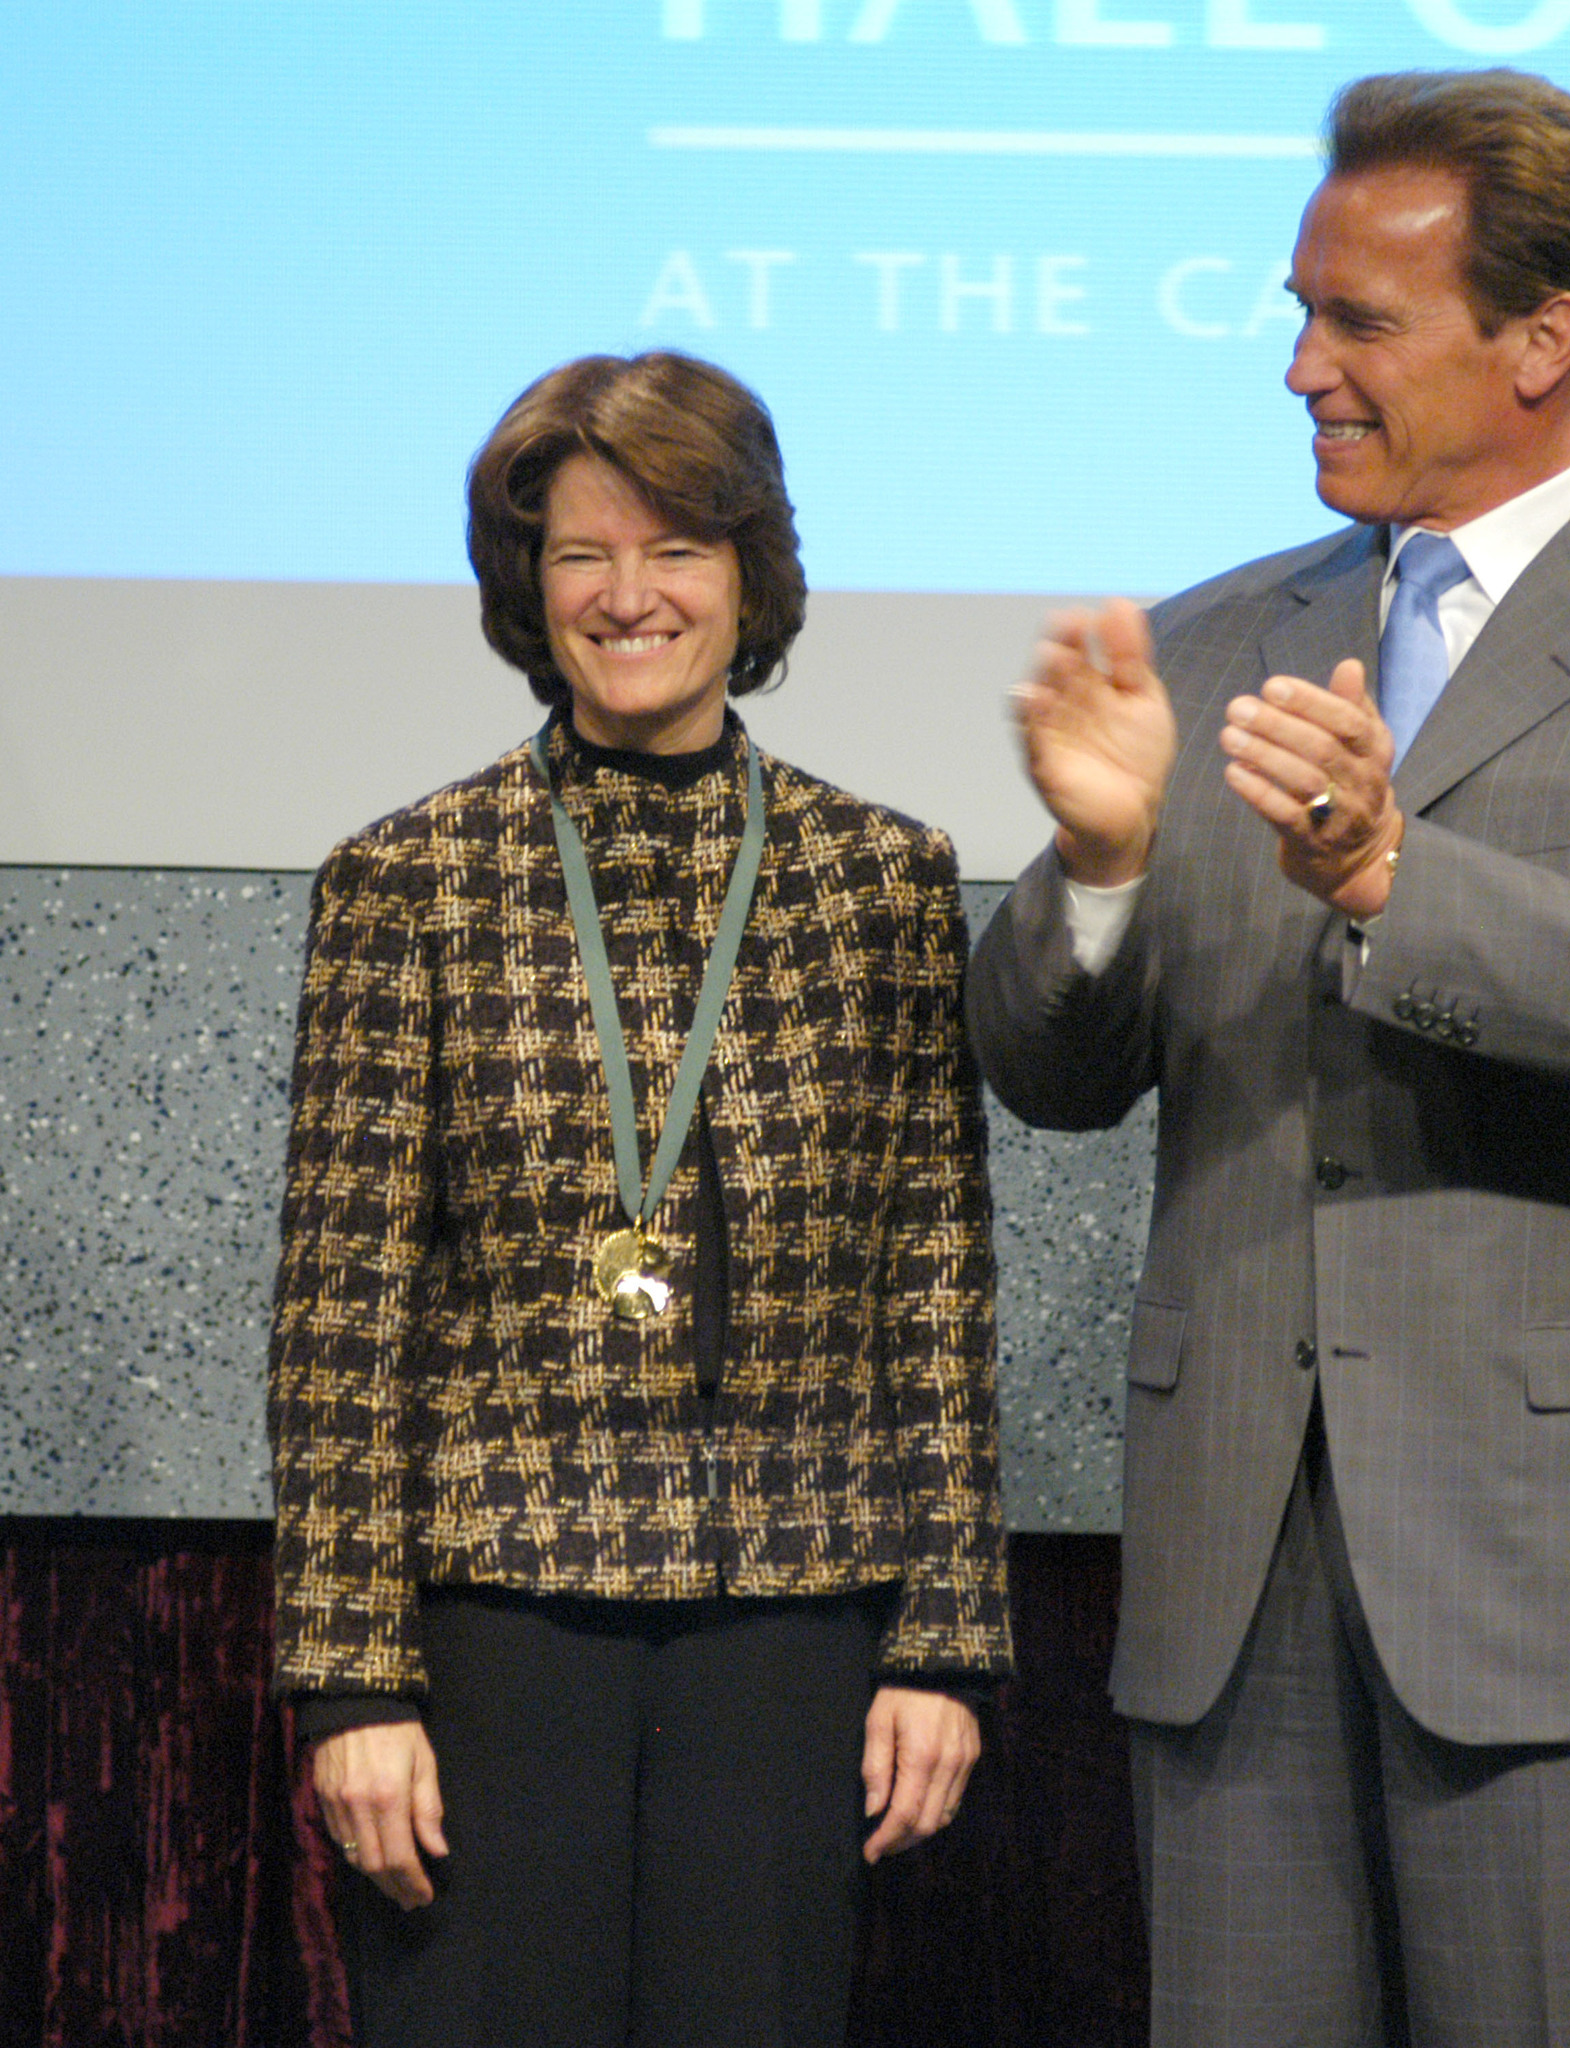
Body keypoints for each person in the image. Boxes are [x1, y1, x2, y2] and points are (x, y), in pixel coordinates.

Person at [968, 69, 1570, 2048]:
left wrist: (1398, 876)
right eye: (1299, 311)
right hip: (1240, 1590)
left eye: (1359, 322)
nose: (1300, 365)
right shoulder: (1214, 640)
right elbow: (1050, 1067)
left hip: (1560, 1590)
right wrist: (1107, 865)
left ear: (1543, 338)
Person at [269, 349, 1012, 2048]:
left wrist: (945, 1643)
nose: (627, 597)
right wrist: (351, 1680)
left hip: (796, 1609)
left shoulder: (879, 876)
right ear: (525, 589)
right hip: (491, 1608)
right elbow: (339, 1310)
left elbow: (934, 1278)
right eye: (579, 555)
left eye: (675, 546)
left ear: (751, 574)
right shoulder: (410, 875)